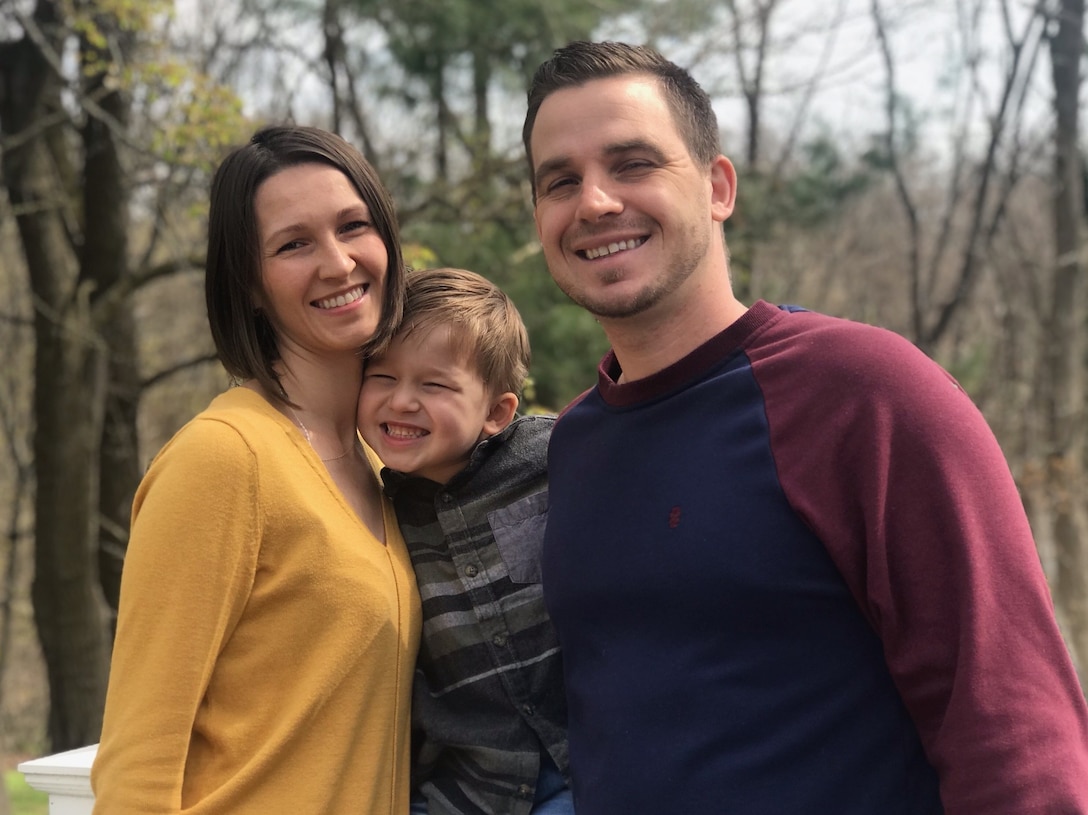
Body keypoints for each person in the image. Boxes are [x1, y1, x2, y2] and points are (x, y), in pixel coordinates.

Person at [522, 40, 1088, 814]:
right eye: (561, 181)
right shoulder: (574, 444)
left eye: (633, 164)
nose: (593, 202)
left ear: (718, 187)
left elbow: (1015, 734)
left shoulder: (864, 394)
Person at [91, 125, 421, 814]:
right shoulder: (223, 459)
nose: (337, 263)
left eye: (353, 226)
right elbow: (135, 769)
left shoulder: (379, 465)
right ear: (248, 283)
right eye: (293, 244)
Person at [356, 267, 570, 815]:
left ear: (497, 412)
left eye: (434, 385)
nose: (401, 401)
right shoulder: (375, 510)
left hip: (583, 771)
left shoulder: (556, 460)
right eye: (381, 376)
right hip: (468, 789)